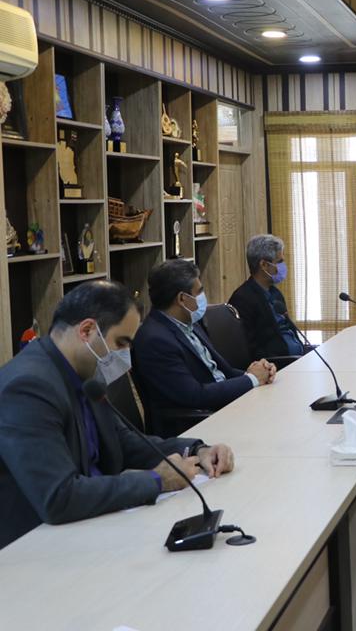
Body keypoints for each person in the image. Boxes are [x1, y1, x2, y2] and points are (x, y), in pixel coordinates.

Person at [0, 280, 235, 550]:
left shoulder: (82, 373)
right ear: (87, 330)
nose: (125, 354)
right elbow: (59, 497)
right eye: (121, 342)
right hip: (36, 546)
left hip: (93, 523)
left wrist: (197, 450)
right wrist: (156, 481)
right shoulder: (29, 386)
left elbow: (125, 442)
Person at [132, 260, 275, 413]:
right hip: (201, 418)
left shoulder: (190, 322)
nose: (202, 297)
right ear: (182, 299)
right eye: (199, 291)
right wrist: (251, 379)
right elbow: (194, 395)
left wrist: (260, 372)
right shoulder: (155, 340)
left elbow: (223, 372)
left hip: (226, 404)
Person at [228, 234, 305, 363]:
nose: (283, 266)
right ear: (264, 264)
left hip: (298, 360)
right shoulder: (243, 299)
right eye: (279, 262)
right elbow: (250, 349)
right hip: (277, 365)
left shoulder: (275, 293)